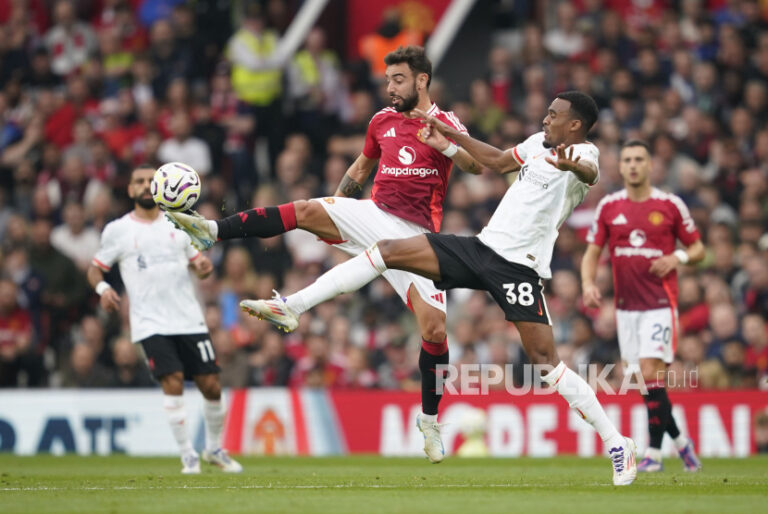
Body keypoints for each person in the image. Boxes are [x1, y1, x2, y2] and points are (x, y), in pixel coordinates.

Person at [227, 91, 638, 485]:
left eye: (554, 114)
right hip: (482, 248)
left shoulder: (585, 154)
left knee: (547, 363)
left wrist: (571, 167)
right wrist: (450, 137)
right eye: (546, 112)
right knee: (386, 250)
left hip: (519, 268)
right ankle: (294, 306)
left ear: (576, 124)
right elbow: (495, 161)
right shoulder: (535, 143)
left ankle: (617, 443)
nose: (545, 119)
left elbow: (589, 173)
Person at [167, 45, 482, 463]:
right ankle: (211, 231)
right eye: (387, 79)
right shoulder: (381, 122)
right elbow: (359, 171)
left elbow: (477, 165)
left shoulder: (445, 122)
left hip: (417, 234)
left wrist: (445, 146)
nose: (390, 88)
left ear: (422, 80)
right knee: (305, 210)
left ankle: (429, 420)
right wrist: (336, 213)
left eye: (399, 79)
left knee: (435, 330)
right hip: (373, 214)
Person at [87, 165, 241, 475]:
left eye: (151, 181)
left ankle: (213, 449)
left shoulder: (179, 223)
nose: (145, 186)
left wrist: (203, 268)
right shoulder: (118, 230)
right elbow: (95, 268)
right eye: (139, 181)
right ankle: (188, 455)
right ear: (130, 190)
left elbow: (197, 261)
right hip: (149, 322)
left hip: (189, 318)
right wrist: (103, 289)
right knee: (172, 383)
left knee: (211, 385)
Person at [581, 140, 704, 472]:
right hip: (625, 309)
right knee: (646, 384)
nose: (633, 165)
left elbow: (698, 249)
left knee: (650, 373)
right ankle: (681, 443)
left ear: (650, 166)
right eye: (627, 160)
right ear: (620, 167)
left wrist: (676, 256)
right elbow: (592, 252)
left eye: (639, 159)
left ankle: (653, 454)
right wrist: (588, 284)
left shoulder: (669, 204)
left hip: (660, 304)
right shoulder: (609, 206)